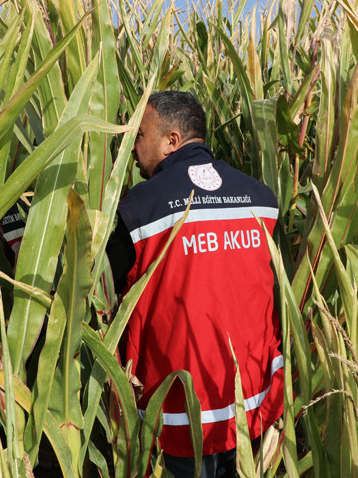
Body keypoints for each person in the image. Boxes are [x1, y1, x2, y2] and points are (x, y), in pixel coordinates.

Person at [107, 91, 284, 477]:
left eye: (140, 136)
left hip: (177, 416)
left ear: (171, 141)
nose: (133, 148)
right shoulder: (262, 199)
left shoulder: (139, 209)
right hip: (250, 404)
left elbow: (102, 291)